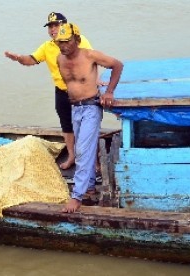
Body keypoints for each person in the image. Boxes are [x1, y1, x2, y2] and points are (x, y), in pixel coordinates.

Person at [4, 12, 93, 170]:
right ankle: (72, 155)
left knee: (86, 126)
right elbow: (31, 59)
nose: (53, 29)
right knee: (67, 125)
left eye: (56, 25)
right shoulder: (47, 46)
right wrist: (18, 57)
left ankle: (93, 160)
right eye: (50, 26)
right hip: (61, 91)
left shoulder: (79, 40)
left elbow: (92, 60)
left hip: (81, 91)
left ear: (65, 26)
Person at [55, 23, 123, 213]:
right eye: (59, 42)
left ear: (76, 39)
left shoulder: (90, 55)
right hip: (75, 108)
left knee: (83, 150)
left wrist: (108, 92)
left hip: (91, 107)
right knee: (82, 147)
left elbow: (117, 65)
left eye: (67, 41)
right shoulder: (59, 59)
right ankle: (90, 187)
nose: (63, 46)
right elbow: (71, 84)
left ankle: (77, 196)